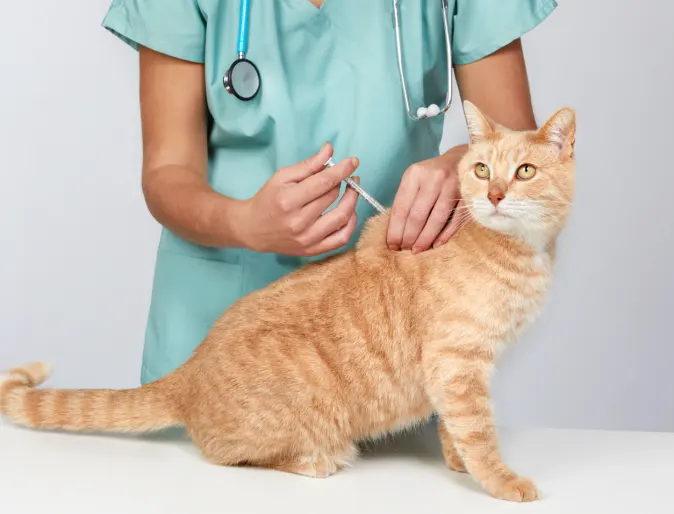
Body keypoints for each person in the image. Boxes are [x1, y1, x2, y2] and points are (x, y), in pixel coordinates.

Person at [101, 0, 557, 385]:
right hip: (220, 341)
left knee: (399, 486)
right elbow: (167, 170)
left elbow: (517, 141)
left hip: (389, 342)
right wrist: (243, 223)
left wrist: (459, 168)